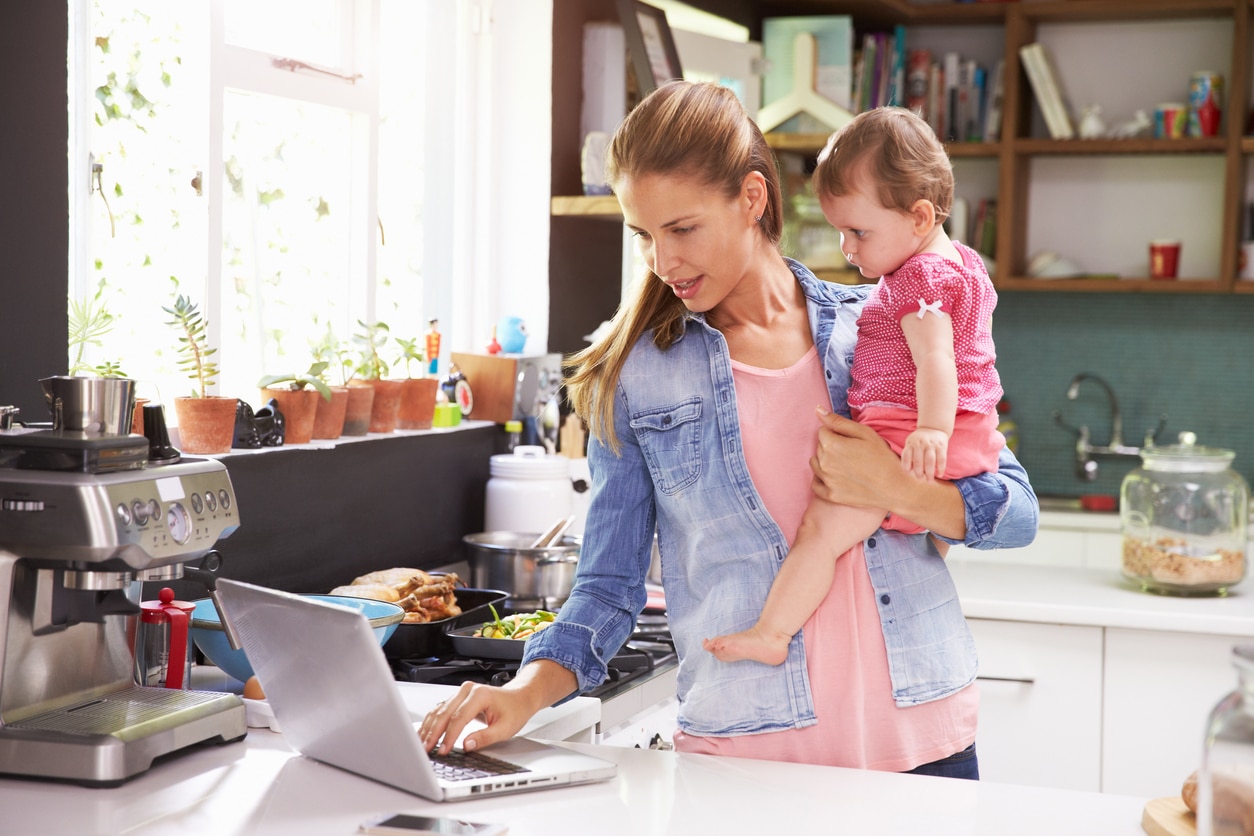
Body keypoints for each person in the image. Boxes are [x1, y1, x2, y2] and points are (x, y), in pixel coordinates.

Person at [420, 81, 1038, 779]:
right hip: (749, 759)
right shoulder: (632, 378)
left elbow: (1017, 513)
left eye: (682, 229)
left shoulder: (886, 322)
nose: (663, 260)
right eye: (645, 236)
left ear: (751, 198)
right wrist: (523, 693)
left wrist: (902, 489)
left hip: (926, 742)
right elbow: (608, 586)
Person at [702, 106, 1004, 667]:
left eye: (859, 231)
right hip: (970, 433)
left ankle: (772, 632)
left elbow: (937, 360)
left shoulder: (918, 280)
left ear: (918, 217)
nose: (848, 249)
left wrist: (931, 432)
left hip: (909, 432)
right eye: (842, 232)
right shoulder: (963, 262)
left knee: (821, 531)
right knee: (922, 544)